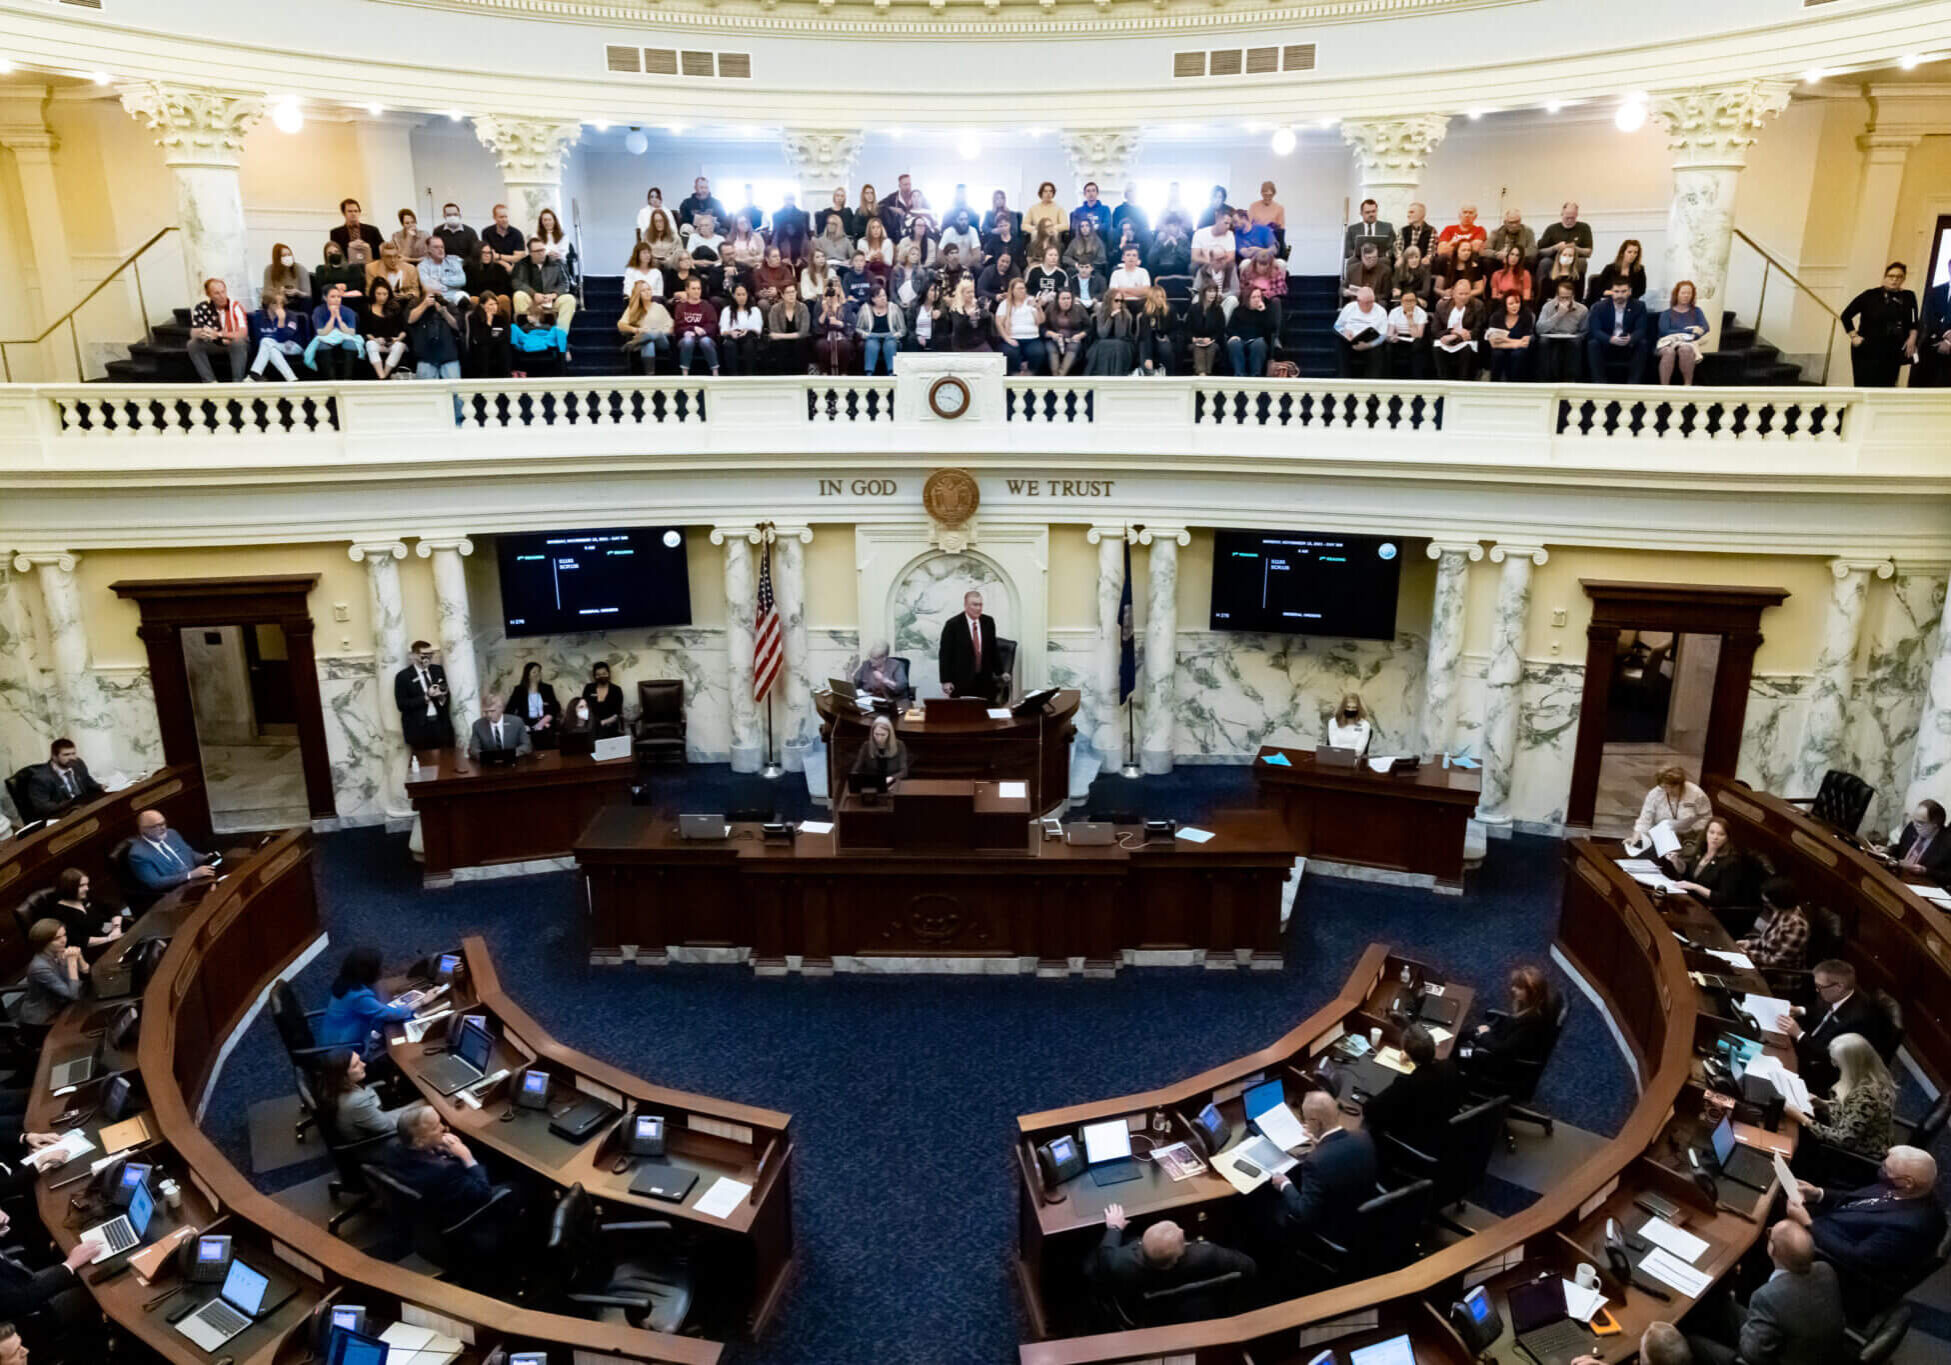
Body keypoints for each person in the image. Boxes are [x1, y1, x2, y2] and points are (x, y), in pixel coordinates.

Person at [1787, 1145, 1945, 1300]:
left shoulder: (1909, 1228)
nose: (1881, 1169)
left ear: (1907, 1182)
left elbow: (1856, 1258)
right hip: (1832, 1222)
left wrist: (1808, 1224)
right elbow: (1862, 1201)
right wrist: (1818, 1194)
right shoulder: (1905, 1188)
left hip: (1830, 1262)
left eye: (1886, 1169)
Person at [1684, 1221, 1843, 1365]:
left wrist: (1750, 1329)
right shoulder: (1825, 1269)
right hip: (1813, 1349)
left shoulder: (1768, 1297)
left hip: (1777, 1357)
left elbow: (1751, 1355)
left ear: (1772, 1249)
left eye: (1770, 1233)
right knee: (1720, 1304)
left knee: (1689, 1340)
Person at [1088, 1201, 1257, 1313]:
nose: (1182, 1231)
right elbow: (1249, 1266)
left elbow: (1105, 1253)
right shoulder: (1207, 1255)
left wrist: (1115, 1228)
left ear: (1141, 1244)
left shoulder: (1118, 1263)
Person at [1266, 1091, 1379, 1246]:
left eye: (1305, 1119)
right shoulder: (1363, 1137)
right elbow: (1339, 1158)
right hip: (1363, 1211)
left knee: (1266, 1207)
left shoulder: (1315, 1162)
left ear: (1316, 1122)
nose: (1304, 1123)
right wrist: (1321, 1147)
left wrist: (1284, 1184)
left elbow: (1304, 1214)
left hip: (1336, 1227)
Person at [382, 1104, 501, 1233]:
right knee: (511, 1178)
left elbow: (423, 1156)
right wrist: (467, 1157)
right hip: (453, 1211)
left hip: (429, 1198)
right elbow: (484, 1194)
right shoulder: (445, 1170)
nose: (444, 1128)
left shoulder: (392, 1147)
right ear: (420, 1141)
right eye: (436, 1127)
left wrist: (435, 1147)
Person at [1784, 960, 1896, 1091]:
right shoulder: (1837, 994)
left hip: (1822, 1067)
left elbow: (1830, 1055)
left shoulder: (1857, 1020)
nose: (1817, 990)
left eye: (1819, 987)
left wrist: (1799, 1034)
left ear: (1839, 987)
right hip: (1811, 1043)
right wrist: (1801, 1010)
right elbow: (1821, 1010)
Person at [1787, 1033, 1895, 1162]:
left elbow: (1843, 1139)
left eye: (1837, 1061)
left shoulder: (1867, 1096)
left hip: (1855, 1158)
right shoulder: (1868, 1077)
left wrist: (1803, 1119)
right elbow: (1850, 1112)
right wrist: (1824, 1105)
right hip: (1846, 1135)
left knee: (1796, 1136)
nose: (1833, 1064)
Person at [1361, 1024, 1464, 1156]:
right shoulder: (1448, 1066)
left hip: (1417, 1141)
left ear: (1408, 1053)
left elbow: (1370, 1111)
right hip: (1443, 1129)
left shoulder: (1407, 1084)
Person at [316, 946, 414, 1057]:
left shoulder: (344, 982)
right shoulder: (358, 997)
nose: (382, 969)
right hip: (343, 1051)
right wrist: (419, 1003)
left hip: (331, 1040)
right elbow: (389, 1014)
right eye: (379, 967)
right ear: (370, 972)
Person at [1464, 964, 1558, 1077]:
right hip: (1500, 1038)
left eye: (1519, 987)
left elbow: (1501, 1050)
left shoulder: (1530, 1023)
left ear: (1532, 992)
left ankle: (1459, 1064)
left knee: (1461, 1052)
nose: (1513, 989)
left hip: (1496, 1059)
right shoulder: (1535, 1005)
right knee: (1465, 1036)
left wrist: (1484, 1035)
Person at [1840, 263, 1920, 388]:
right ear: (1884, 277)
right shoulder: (1870, 295)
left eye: (1899, 277)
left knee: (1886, 386)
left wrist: (1912, 338)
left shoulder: (1909, 296)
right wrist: (1854, 336)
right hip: (1867, 348)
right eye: (1891, 276)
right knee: (1864, 385)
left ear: (1904, 278)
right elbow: (1846, 315)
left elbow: (1914, 321)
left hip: (1893, 349)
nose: (1894, 280)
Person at [1668, 816, 1746, 928]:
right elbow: (1687, 875)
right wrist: (1676, 861)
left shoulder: (1730, 863)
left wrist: (1695, 887)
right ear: (1706, 834)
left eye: (1721, 834)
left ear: (1727, 838)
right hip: (1687, 901)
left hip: (1704, 910)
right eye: (1712, 832)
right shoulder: (1701, 851)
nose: (1715, 837)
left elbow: (1722, 898)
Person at [315, 1048, 405, 1143]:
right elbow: (388, 1126)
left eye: (359, 1060)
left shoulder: (329, 1084)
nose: (363, 1064)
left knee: (419, 1104)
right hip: (375, 1144)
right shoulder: (355, 1101)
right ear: (343, 1076)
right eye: (355, 1065)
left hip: (368, 1122)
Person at [34, 869, 126, 961]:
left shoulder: (86, 896)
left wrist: (116, 928)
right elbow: (78, 940)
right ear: (69, 888)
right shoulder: (60, 912)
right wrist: (109, 939)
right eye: (82, 885)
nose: (87, 888)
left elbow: (113, 909)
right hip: (91, 951)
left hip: (109, 935)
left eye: (87, 884)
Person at [128, 808, 217, 891]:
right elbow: (155, 883)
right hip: (177, 891)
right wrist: (190, 875)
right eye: (156, 826)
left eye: (163, 823)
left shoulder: (171, 834)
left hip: (198, 880)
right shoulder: (138, 854)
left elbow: (190, 854)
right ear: (143, 829)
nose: (163, 828)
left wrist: (205, 858)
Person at [18, 921, 85, 1028]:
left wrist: (79, 958)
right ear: (43, 942)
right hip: (42, 1021)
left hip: (61, 1007)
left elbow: (84, 976)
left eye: (64, 935)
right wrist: (72, 962)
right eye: (57, 938)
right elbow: (73, 995)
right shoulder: (40, 967)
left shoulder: (57, 953)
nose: (64, 940)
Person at [939, 589, 1002, 701]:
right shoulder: (953, 624)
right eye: (975, 604)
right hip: (961, 681)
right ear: (966, 605)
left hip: (985, 680)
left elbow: (993, 648)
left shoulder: (988, 621)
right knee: (963, 716)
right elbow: (945, 654)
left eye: (980, 605)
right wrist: (945, 680)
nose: (978, 608)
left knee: (986, 715)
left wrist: (1001, 672)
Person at [20, 737, 101, 819]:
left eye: (73, 753)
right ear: (54, 756)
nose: (72, 758)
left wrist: (101, 787)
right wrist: (71, 805)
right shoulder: (41, 778)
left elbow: (87, 780)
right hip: (62, 815)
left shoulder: (78, 763)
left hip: (84, 808)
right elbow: (42, 806)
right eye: (66, 755)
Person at [1740, 877, 1811, 972]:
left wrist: (1748, 954)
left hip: (1777, 975)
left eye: (1768, 902)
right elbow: (1768, 941)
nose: (1766, 904)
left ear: (1779, 901)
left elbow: (1778, 961)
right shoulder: (1781, 911)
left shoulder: (1797, 926)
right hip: (1762, 963)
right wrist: (1749, 944)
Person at [187, 277, 249, 383]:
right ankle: (210, 382)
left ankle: (237, 383)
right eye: (217, 293)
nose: (222, 296)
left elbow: (243, 333)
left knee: (238, 342)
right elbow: (193, 333)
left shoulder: (235, 306)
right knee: (192, 344)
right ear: (209, 295)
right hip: (215, 344)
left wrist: (219, 334)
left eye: (223, 292)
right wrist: (202, 332)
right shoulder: (203, 308)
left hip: (235, 343)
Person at [1633, 765, 1712, 847]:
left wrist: (1695, 833)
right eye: (1665, 787)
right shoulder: (1655, 794)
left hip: (1690, 834)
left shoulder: (1697, 794)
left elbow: (1706, 817)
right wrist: (1637, 836)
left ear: (1681, 784)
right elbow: (1645, 818)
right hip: (1663, 834)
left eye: (1672, 787)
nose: (1668, 791)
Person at [395, 640, 453, 751]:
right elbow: (401, 704)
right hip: (418, 729)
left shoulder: (438, 670)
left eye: (431, 655)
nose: (428, 658)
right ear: (413, 656)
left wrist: (442, 695)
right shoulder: (403, 677)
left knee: (446, 761)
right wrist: (426, 697)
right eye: (424, 655)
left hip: (440, 724)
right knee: (425, 765)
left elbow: (446, 696)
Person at [1587, 282, 1649, 383]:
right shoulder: (1599, 307)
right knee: (1593, 344)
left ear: (1629, 292)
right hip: (1607, 343)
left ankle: (1633, 384)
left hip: (1628, 344)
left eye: (1623, 291)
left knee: (1642, 343)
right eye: (1616, 291)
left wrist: (1631, 338)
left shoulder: (1639, 306)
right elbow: (1595, 330)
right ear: (1611, 292)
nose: (1620, 295)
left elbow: (1641, 329)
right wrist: (1610, 339)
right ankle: (1599, 383)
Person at [511, 237, 576, 331]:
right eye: (537, 251)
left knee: (569, 299)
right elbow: (516, 282)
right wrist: (533, 294)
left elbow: (565, 283)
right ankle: (526, 333)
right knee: (518, 296)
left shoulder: (555, 263)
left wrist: (554, 295)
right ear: (531, 253)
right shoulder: (522, 264)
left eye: (543, 249)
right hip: (531, 301)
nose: (541, 253)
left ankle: (560, 334)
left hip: (551, 301)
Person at [249, 286, 308, 381]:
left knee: (267, 341)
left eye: (281, 303)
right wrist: (273, 337)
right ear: (267, 304)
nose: (279, 306)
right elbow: (257, 339)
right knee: (270, 348)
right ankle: (292, 379)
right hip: (272, 346)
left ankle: (255, 373)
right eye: (275, 303)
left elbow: (286, 337)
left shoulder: (291, 315)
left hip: (293, 345)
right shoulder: (258, 317)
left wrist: (281, 321)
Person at [1656, 280, 1710, 385]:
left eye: (1689, 293)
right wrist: (1689, 330)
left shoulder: (1697, 311)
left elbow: (1705, 327)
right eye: (1683, 293)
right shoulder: (1667, 313)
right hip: (1667, 343)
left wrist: (1694, 335)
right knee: (1669, 352)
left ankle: (1687, 385)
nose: (1686, 296)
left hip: (1688, 342)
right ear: (1677, 294)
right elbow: (1664, 331)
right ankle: (1664, 387)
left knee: (1686, 349)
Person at [305, 283, 363, 380]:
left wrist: (339, 319)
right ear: (325, 298)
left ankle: (347, 379)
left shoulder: (348, 311)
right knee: (323, 346)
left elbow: (351, 333)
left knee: (351, 345)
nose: (337, 299)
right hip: (326, 336)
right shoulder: (318, 311)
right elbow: (322, 333)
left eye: (339, 297)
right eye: (332, 297)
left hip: (344, 335)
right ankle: (331, 380)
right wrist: (332, 317)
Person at [1882, 797, 1950, 879]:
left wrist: (1925, 871)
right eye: (1914, 820)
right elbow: (1901, 847)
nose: (1915, 824)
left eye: (1920, 823)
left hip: (1922, 884)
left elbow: (1948, 876)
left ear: (1934, 825)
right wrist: (1888, 850)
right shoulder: (1912, 826)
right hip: (1897, 875)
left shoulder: (1947, 844)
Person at [1535, 277, 1588, 381]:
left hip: (1571, 336)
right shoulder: (1548, 307)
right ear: (1557, 296)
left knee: (1576, 343)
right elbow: (1539, 329)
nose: (1564, 300)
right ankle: (1545, 380)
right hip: (1551, 336)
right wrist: (1558, 315)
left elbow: (1584, 331)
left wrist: (1576, 336)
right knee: (1543, 341)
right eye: (1561, 297)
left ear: (1573, 296)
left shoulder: (1582, 309)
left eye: (1567, 298)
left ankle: (1572, 379)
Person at [618, 281, 673, 374]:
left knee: (656, 333)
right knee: (649, 343)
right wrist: (636, 329)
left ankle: (634, 343)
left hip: (662, 340)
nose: (647, 292)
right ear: (638, 294)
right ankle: (650, 375)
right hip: (644, 340)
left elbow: (671, 328)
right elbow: (621, 325)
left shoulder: (659, 307)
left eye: (649, 289)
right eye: (643, 290)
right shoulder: (633, 308)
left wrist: (655, 332)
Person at [1432, 280, 1483, 380]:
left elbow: (1478, 330)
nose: (1464, 297)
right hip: (1445, 338)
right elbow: (1434, 330)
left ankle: (1463, 382)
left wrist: (1455, 336)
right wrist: (1451, 332)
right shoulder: (1441, 305)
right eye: (1461, 294)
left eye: (1467, 293)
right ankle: (1443, 382)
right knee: (1437, 348)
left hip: (1466, 341)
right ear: (1453, 293)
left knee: (1466, 350)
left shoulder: (1478, 305)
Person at [408, 291, 465, 380]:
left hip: (449, 355)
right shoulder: (417, 303)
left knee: (454, 391)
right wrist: (424, 304)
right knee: (426, 392)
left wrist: (444, 312)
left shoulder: (449, 304)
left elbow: (458, 326)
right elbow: (410, 319)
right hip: (425, 356)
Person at [1334, 287, 1389, 378]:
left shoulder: (1380, 311)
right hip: (1350, 339)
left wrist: (1368, 345)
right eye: (1366, 303)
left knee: (1378, 348)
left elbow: (1383, 336)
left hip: (1369, 341)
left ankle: (1372, 381)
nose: (1370, 305)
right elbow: (1337, 326)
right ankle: (1344, 378)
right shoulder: (1349, 307)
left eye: (1371, 302)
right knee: (1339, 342)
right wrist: (1344, 332)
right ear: (1358, 301)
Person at [993, 279, 1044, 375]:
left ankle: (1029, 374)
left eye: (1023, 288)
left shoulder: (1031, 301)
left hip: (1032, 338)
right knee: (1010, 353)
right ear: (1012, 290)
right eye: (1019, 288)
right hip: (1012, 337)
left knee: (1038, 352)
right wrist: (1007, 338)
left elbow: (1040, 321)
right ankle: (1015, 375)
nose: (1022, 291)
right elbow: (999, 323)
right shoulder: (1005, 304)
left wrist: (1039, 307)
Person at [671, 276, 720, 376]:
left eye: (699, 288)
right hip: (686, 337)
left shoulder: (707, 305)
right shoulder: (680, 306)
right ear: (687, 290)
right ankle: (685, 373)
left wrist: (703, 330)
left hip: (704, 336)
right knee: (688, 341)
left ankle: (715, 372)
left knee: (705, 341)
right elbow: (678, 327)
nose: (697, 291)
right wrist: (691, 329)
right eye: (693, 288)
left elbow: (713, 324)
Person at [362, 280, 409, 379]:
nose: (381, 297)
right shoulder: (368, 308)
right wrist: (375, 339)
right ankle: (381, 374)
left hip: (393, 341)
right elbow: (365, 331)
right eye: (378, 294)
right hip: (376, 341)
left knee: (400, 346)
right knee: (370, 344)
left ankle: (384, 374)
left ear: (389, 294)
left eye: (384, 294)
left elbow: (403, 330)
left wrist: (396, 339)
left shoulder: (395, 307)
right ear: (373, 293)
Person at [1484, 290, 1534, 381]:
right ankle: (1494, 384)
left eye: (1517, 302)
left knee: (1518, 354)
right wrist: (1515, 343)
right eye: (1511, 304)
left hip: (1516, 349)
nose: (1515, 306)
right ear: (1505, 305)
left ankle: (1515, 384)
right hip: (1502, 347)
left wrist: (1505, 340)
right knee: (1497, 353)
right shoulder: (1497, 317)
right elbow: (1494, 343)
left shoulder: (1526, 315)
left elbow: (1525, 342)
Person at [855, 285, 904, 377]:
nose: (883, 298)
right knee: (871, 345)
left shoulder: (894, 308)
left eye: (884, 295)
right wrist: (867, 335)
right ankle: (869, 373)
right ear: (873, 299)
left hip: (890, 337)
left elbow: (903, 330)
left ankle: (891, 372)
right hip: (872, 337)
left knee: (890, 344)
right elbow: (858, 328)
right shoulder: (865, 309)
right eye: (879, 296)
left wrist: (894, 335)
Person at [507, 662, 559, 747]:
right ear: (527, 675)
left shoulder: (547, 688)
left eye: (539, 672)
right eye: (534, 672)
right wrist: (521, 725)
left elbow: (556, 707)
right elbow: (509, 710)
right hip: (526, 725)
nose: (537, 674)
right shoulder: (519, 690)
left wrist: (544, 721)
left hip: (545, 723)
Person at [1226, 285, 1275, 377]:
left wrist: (1264, 313)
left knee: (1259, 343)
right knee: (1233, 343)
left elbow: (1271, 330)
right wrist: (1234, 335)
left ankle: (1255, 375)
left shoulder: (1265, 312)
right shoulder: (1238, 311)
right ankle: (1239, 375)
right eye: (1253, 297)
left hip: (1257, 341)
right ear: (1247, 299)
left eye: (1259, 297)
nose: (1257, 300)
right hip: (1241, 340)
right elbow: (1230, 328)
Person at [1044, 286, 1091, 376]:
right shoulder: (1051, 308)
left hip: (1073, 338)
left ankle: (1061, 377)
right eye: (1063, 299)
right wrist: (1051, 334)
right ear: (1058, 300)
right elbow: (1042, 327)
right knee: (1052, 351)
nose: (1066, 301)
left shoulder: (1078, 308)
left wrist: (1080, 335)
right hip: (1054, 339)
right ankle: (1055, 375)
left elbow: (1088, 328)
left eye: (1068, 298)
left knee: (1073, 349)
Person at [721, 282, 765, 376]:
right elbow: (723, 330)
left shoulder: (755, 310)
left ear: (747, 295)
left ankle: (750, 374)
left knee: (748, 344)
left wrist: (748, 330)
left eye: (743, 294)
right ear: (733, 295)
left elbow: (758, 329)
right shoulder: (727, 310)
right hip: (732, 335)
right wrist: (730, 332)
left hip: (749, 335)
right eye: (738, 294)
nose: (741, 297)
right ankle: (733, 376)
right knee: (729, 344)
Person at [766, 284, 812, 374]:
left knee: (801, 343)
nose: (791, 295)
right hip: (782, 342)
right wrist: (780, 336)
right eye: (788, 292)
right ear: (782, 295)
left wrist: (780, 336)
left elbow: (803, 332)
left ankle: (801, 376)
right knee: (780, 345)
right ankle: (783, 378)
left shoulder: (803, 308)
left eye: (793, 292)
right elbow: (775, 331)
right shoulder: (775, 309)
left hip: (798, 341)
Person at [852, 715, 910, 786]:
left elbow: (904, 771)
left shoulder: (900, 745)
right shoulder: (866, 745)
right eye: (876, 734)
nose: (879, 738)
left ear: (889, 734)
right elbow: (855, 769)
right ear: (872, 733)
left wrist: (891, 778)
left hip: (892, 783)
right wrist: (855, 779)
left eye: (883, 735)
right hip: (872, 782)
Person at [468, 695, 531, 759]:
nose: (489, 715)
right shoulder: (478, 725)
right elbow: (473, 749)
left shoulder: (517, 722)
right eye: (486, 712)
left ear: (501, 709)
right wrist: (490, 757)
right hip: (489, 765)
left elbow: (527, 746)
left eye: (492, 711)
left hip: (514, 763)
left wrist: (508, 755)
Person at [1387, 289, 1430, 379]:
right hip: (1399, 337)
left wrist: (1410, 320)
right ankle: (1390, 378)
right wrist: (1392, 337)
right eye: (1406, 301)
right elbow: (1389, 334)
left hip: (1414, 338)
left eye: (1412, 301)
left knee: (1418, 344)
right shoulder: (1394, 312)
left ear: (1416, 301)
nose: (1409, 303)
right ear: (1401, 302)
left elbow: (1418, 335)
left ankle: (1416, 378)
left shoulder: (1421, 313)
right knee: (1388, 347)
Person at [1588, 239, 1648, 304]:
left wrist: (1626, 294)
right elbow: (1598, 289)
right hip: (1608, 301)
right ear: (1622, 253)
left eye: (1635, 252)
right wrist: (1614, 293)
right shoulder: (1610, 268)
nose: (1632, 255)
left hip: (1630, 302)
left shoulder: (1640, 270)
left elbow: (1641, 290)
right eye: (1629, 252)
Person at [1537, 202, 1594, 269]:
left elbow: (1588, 252)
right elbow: (1540, 252)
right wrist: (1555, 248)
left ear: (1576, 215)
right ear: (1562, 214)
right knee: (1545, 263)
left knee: (1582, 262)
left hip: (1574, 259)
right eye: (1567, 218)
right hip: (1554, 259)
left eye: (1572, 218)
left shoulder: (1584, 228)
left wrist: (1574, 248)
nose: (1569, 221)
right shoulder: (1551, 229)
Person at [417, 234, 468, 307]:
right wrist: (450, 285)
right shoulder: (423, 266)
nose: (440, 249)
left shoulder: (453, 261)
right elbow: (428, 287)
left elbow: (462, 280)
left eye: (442, 247)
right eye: (436, 247)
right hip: (436, 300)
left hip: (456, 297)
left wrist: (441, 280)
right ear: (428, 249)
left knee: (465, 299)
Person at [1136, 287, 1175, 377]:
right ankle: (1149, 380)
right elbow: (1146, 335)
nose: (1161, 299)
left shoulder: (1170, 309)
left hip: (1164, 337)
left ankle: (1169, 377)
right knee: (1145, 354)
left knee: (1166, 348)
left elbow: (1176, 329)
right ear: (1152, 298)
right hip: (1148, 340)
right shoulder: (1146, 312)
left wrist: (1168, 337)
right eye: (1157, 297)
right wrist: (1148, 357)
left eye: (1162, 297)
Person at [815, 284, 855, 372]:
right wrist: (825, 312)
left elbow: (851, 325)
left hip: (842, 335)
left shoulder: (846, 306)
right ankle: (824, 372)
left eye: (835, 286)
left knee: (845, 346)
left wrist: (839, 323)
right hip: (825, 336)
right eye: (829, 287)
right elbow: (816, 326)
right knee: (822, 345)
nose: (832, 289)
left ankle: (844, 373)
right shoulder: (819, 305)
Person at [263, 243, 312, 312]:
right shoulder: (269, 269)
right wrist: (279, 293)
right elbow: (266, 293)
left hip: (296, 301)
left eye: (289, 255)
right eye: (284, 255)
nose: (287, 257)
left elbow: (308, 294)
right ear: (277, 258)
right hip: (278, 300)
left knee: (307, 301)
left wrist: (297, 292)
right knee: (266, 302)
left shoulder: (300, 268)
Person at [675, 176, 726, 241]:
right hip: (694, 231)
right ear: (695, 188)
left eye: (706, 188)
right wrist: (697, 227)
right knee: (685, 227)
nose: (704, 190)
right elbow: (684, 221)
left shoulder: (716, 203)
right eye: (701, 187)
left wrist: (711, 225)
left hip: (712, 230)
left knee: (722, 230)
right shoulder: (686, 203)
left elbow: (723, 219)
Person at [1342, 197, 1392, 263]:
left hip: (1380, 260)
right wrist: (1363, 256)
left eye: (1373, 211)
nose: (1371, 214)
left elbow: (1394, 247)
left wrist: (1387, 254)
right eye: (1367, 212)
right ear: (1361, 213)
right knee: (1352, 261)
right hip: (1359, 261)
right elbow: (1347, 251)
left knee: (1386, 261)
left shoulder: (1387, 227)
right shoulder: (1352, 229)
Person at [583, 662, 626, 735]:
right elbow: (583, 707)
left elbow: (617, 713)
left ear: (609, 674)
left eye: (604, 673)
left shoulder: (616, 690)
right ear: (594, 676)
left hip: (610, 725)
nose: (601, 676)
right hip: (591, 726)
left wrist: (603, 722)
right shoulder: (589, 688)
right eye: (598, 675)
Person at [771, 191, 809, 264]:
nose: (789, 201)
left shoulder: (802, 215)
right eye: (787, 199)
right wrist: (781, 259)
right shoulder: (777, 215)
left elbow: (808, 249)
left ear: (794, 200)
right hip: (782, 258)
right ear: (783, 200)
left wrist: (802, 259)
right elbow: (774, 245)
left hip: (800, 256)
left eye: (791, 199)